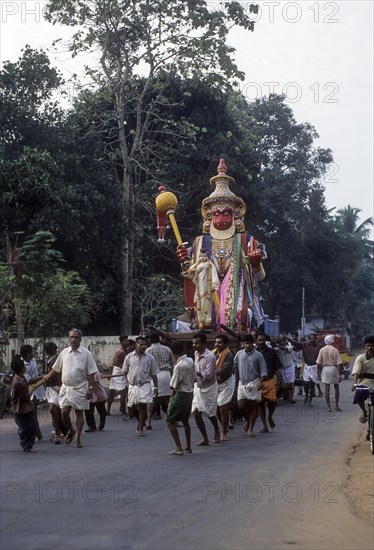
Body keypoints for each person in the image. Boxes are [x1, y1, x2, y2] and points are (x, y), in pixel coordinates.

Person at [177, 158, 267, 332]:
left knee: (241, 313)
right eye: (216, 214)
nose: (221, 218)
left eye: (226, 213)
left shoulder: (246, 241)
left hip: (238, 292)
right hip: (208, 293)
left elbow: (261, 277)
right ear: (209, 216)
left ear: (235, 215)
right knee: (202, 314)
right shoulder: (200, 242)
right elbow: (191, 273)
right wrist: (184, 261)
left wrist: (255, 265)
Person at [42, 329, 98, 448]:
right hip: (66, 387)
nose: (73, 339)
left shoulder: (86, 354)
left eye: (76, 337)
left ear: (80, 339)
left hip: (80, 387)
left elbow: (92, 372)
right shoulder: (64, 353)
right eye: (71, 337)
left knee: (79, 413)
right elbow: (56, 369)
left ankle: (77, 438)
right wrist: (46, 377)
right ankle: (71, 430)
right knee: (64, 413)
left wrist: (91, 388)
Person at [122, 336, 159, 436]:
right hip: (133, 386)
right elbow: (125, 371)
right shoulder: (129, 357)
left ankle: (141, 428)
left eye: (145, 344)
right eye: (141, 344)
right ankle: (140, 423)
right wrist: (128, 383)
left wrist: (156, 387)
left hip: (145, 385)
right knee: (133, 408)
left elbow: (154, 373)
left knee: (143, 406)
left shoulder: (150, 358)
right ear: (136, 345)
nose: (143, 346)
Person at [234, 333, 268, 437]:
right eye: (245, 343)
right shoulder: (239, 354)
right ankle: (248, 420)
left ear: (253, 343)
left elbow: (263, 372)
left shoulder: (258, 355)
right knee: (241, 406)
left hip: (254, 383)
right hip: (242, 384)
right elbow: (235, 368)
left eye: (249, 343)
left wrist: (261, 383)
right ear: (242, 344)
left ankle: (251, 429)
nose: (247, 345)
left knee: (252, 407)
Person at [166, 341, 196, 455]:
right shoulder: (189, 360)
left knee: (170, 420)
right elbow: (194, 377)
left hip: (181, 393)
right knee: (185, 420)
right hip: (189, 392)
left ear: (173, 352)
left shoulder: (179, 366)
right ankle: (187, 445)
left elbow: (172, 385)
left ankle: (178, 447)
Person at [191, 332, 220, 446]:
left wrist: (194, 372)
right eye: (193, 343)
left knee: (211, 414)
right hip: (198, 387)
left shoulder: (210, 357)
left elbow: (208, 375)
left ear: (203, 343)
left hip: (209, 388)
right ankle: (205, 438)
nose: (194, 345)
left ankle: (217, 430)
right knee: (196, 413)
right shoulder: (196, 354)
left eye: (197, 343)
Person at [182, 249, 220, 330]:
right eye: (201, 256)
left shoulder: (210, 265)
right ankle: (199, 322)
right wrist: (187, 273)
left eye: (205, 256)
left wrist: (214, 284)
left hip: (207, 287)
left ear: (207, 257)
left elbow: (214, 275)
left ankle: (207, 322)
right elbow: (190, 275)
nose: (203, 258)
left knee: (207, 304)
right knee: (199, 304)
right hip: (199, 288)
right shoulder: (197, 265)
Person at [146, 332, 174, 429]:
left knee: (151, 400)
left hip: (155, 376)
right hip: (166, 375)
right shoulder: (167, 349)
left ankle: (148, 422)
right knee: (169, 400)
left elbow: (147, 365)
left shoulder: (148, 350)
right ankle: (173, 420)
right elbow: (173, 362)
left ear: (150, 340)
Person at [10, 356, 37, 452]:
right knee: (24, 428)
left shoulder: (22, 378)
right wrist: (31, 391)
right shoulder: (17, 382)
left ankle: (28, 444)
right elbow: (24, 397)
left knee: (32, 426)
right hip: (19, 408)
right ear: (22, 369)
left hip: (27, 407)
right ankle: (25, 443)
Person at [256, 333, 282, 432]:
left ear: (265, 341)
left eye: (263, 340)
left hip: (270, 380)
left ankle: (270, 416)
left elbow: (276, 367)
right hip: (258, 381)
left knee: (272, 401)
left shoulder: (271, 352)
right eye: (259, 340)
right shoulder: (254, 352)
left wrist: (280, 380)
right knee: (260, 403)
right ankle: (264, 425)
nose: (261, 342)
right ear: (256, 341)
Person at [20, 344, 44, 442]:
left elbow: (36, 373)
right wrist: (42, 377)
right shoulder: (21, 364)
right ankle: (35, 435)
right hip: (27, 391)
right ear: (28, 353)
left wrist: (40, 375)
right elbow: (29, 380)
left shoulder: (33, 360)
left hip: (37, 390)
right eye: (31, 352)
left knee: (33, 413)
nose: (33, 354)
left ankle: (36, 435)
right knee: (31, 414)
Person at [289, 333, 322, 406]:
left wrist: (320, 371)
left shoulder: (319, 347)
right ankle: (306, 395)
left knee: (313, 384)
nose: (312, 340)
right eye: (311, 338)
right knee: (306, 383)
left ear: (316, 339)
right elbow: (296, 343)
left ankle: (310, 400)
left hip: (315, 367)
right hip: (307, 366)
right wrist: (288, 339)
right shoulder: (305, 345)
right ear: (309, 339)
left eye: (314, 339)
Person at [44, 342, 67, 444]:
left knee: (59, 411)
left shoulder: (58, 359)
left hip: (59, 387)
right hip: (51, 388)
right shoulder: (49, 360)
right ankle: (58, 433)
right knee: (54, 410)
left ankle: (61, 431)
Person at [213, 334, 235, 441]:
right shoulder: (213, 353)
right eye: (216, 342)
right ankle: (224, 426)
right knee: (216, 408)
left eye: (219, 342)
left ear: (226, 344)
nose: (217, 344)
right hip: (216, 382)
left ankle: (224, 433)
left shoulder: (229, 355)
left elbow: (223, 370)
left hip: (226, 382)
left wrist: (207, 372)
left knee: (222, 407)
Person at [316, 335, 343, 412]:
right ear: (332, 341)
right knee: (336, 388)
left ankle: (329, 407)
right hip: (334, 369)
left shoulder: (322, 350)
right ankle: (337, 405)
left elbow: (318, 363)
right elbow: (339, 364)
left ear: (325, 341)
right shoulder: (335, 350)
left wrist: (318, 373)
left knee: (327, 389)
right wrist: (340, 374)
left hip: (325, 369)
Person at [351, 335, 374, 424]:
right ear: (365, 346)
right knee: (359, 393)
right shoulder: (361, 358)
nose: (369, 347)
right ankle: (364, 412)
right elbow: (356, 372)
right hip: (365, 382)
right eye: (367, 345)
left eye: (372, 345)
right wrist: (354, 383)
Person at [106, 335, 129, 419]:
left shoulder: (123, 350)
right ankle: (122, 410)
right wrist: (110, 373)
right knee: (123, 392)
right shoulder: (121, 352)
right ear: (122, 342)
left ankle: (108, 410)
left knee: (112, 391)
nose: (127, 342)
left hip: (119, 371)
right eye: (126, 341)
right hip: (118, 371)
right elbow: (113, 362)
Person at [275, 336, 296, 404]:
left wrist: (277, 344)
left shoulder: (290, 347)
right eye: (281, 341)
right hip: (282, 368)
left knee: (291, 383)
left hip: (290, 367)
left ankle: (291, 398)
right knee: (279, 383)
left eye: (284, 341)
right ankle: (278, 398)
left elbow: (285, 349)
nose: (283, 342)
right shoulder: (277, 349)